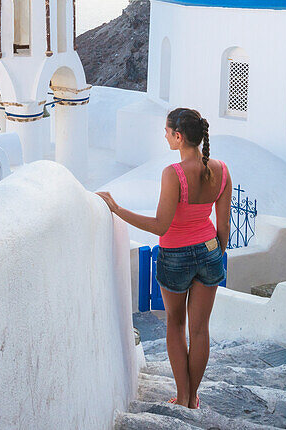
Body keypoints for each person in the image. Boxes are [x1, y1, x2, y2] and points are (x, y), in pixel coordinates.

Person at [96, 107, 231, 410]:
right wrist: (212, 254)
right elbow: (224, 228)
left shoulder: (174, 174)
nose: (165, 135)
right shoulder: (222, 169)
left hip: (175, 256)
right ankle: (194, 398)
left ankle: (182, 396)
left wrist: (117, 209)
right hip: (210, 251)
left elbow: (160, 226)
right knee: (200, 330)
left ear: (179, 137)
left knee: (175, 323)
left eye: (168, 131)